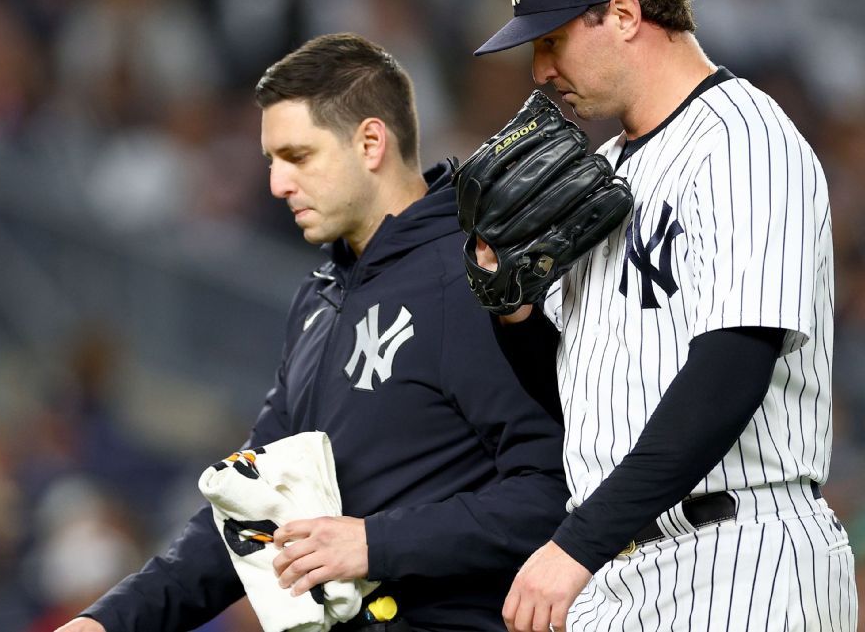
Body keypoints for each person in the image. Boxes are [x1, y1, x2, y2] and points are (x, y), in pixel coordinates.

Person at [55, 33, 569, 632]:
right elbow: (254, 502)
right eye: (272, 161)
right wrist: (106, 623)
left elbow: (552, 494)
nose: (277, 184)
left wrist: (375, 543)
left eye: (298, 156)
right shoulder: (320, 298)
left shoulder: (470, 275)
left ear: (371, 142)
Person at [472, 0, 858, 631]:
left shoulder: (744, 137)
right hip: (616, 570)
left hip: (742, 555)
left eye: (551, 39)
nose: (539, 70)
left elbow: (733, 367)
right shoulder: (603, 174)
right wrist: (513, 307)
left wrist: (577, 543)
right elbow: (579, 394)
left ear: (622, 14)